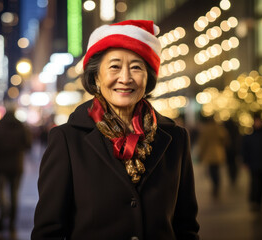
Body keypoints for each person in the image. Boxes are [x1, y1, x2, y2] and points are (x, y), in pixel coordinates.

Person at [31, 20, 200, 240]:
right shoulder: (67, 139)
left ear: (148, 77)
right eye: (114, 66)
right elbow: (48, 231)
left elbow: (186, 226)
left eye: (136, 67)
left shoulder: (175, 138)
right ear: (96, 76)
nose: (125, 78)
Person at [0, 106, 32, 238]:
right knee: (14, 194)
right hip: (17, 166)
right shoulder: (21, 126)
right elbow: (28, 144)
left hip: (0, 165)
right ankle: (12, 222)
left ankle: (4, 210)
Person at [197, 116, 230, 198]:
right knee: (216, 170)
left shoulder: (206, 129)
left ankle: (215, 186)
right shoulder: (219, 128)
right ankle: (217, 185)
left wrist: (200, 154)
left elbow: (202, 143)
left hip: (209, 153)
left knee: (212, 171)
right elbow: (225, 139)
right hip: (219, 152)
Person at [242, 113, 262, 213]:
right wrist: (245, 161)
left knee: (261, 184)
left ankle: (259, 201)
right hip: (254, 163)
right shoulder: (249, 136)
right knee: (254, 183)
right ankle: (254, 201)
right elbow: (245, 150)